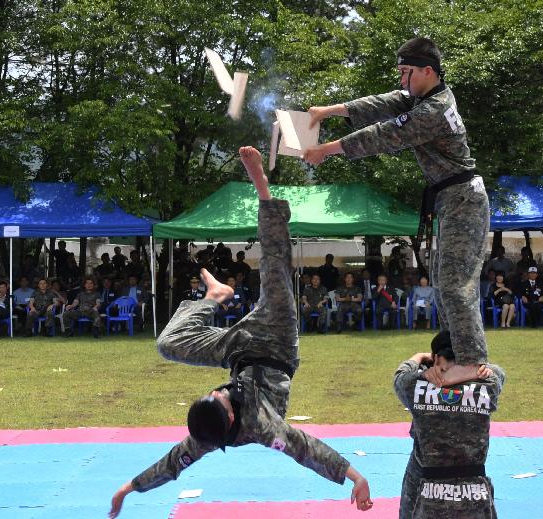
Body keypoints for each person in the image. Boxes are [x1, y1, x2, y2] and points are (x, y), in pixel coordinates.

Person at [107, 147, 372, 518]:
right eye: (220, 400)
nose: (218, 391)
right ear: (230, 420)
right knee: (275, 269)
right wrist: (355, 477)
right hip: (276, 341)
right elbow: (305, 449)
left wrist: (127, 488)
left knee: (168, 344)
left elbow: (171, 464)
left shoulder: (204, 431)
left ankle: (214, 297)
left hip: (237, 351)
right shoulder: (264, 427)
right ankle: (263, 189)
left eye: (212, 394)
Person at [305, 37, 489, 371]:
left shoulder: (434, 110)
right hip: (452, 198)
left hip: (463, 199)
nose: (402, 81)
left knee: (453, 285)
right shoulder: (425, 97)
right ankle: (453, 355)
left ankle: (472, 363)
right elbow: (383, 103)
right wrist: (329, 111)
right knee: (442, 281)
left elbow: (384, 134)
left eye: (407, 73)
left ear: (428, 71)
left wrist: (325, 150)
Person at [394, 330, 504, 519]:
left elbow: (400, 375)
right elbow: (500, 373)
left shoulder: (416, 385)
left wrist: (421, 357)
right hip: (474, 490)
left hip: (429, 487)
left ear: (436, 359)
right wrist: (475, 370)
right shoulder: (487, 384)